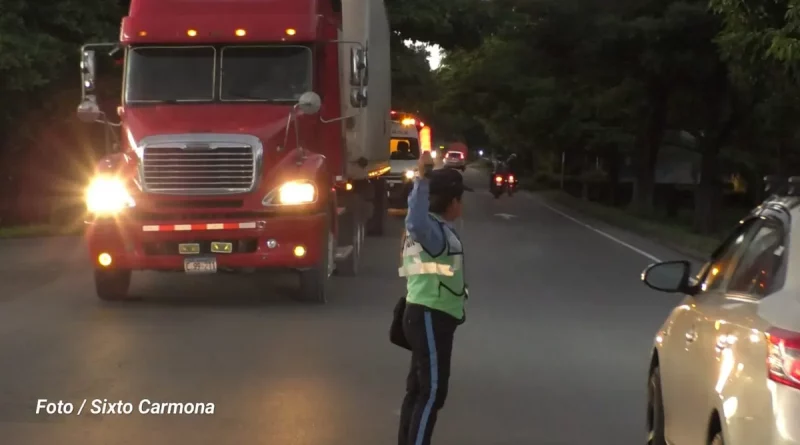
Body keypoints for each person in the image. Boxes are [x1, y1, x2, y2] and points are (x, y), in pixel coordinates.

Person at [397, 151, 471, 445]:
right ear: (451, 202)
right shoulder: (429, 230)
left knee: (419, 390)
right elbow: (414, 219)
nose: (461, 204)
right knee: (431, 393)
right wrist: (422, 180)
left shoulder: (438, 230)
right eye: (459, 199)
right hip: (429, 315)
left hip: (431, 315)